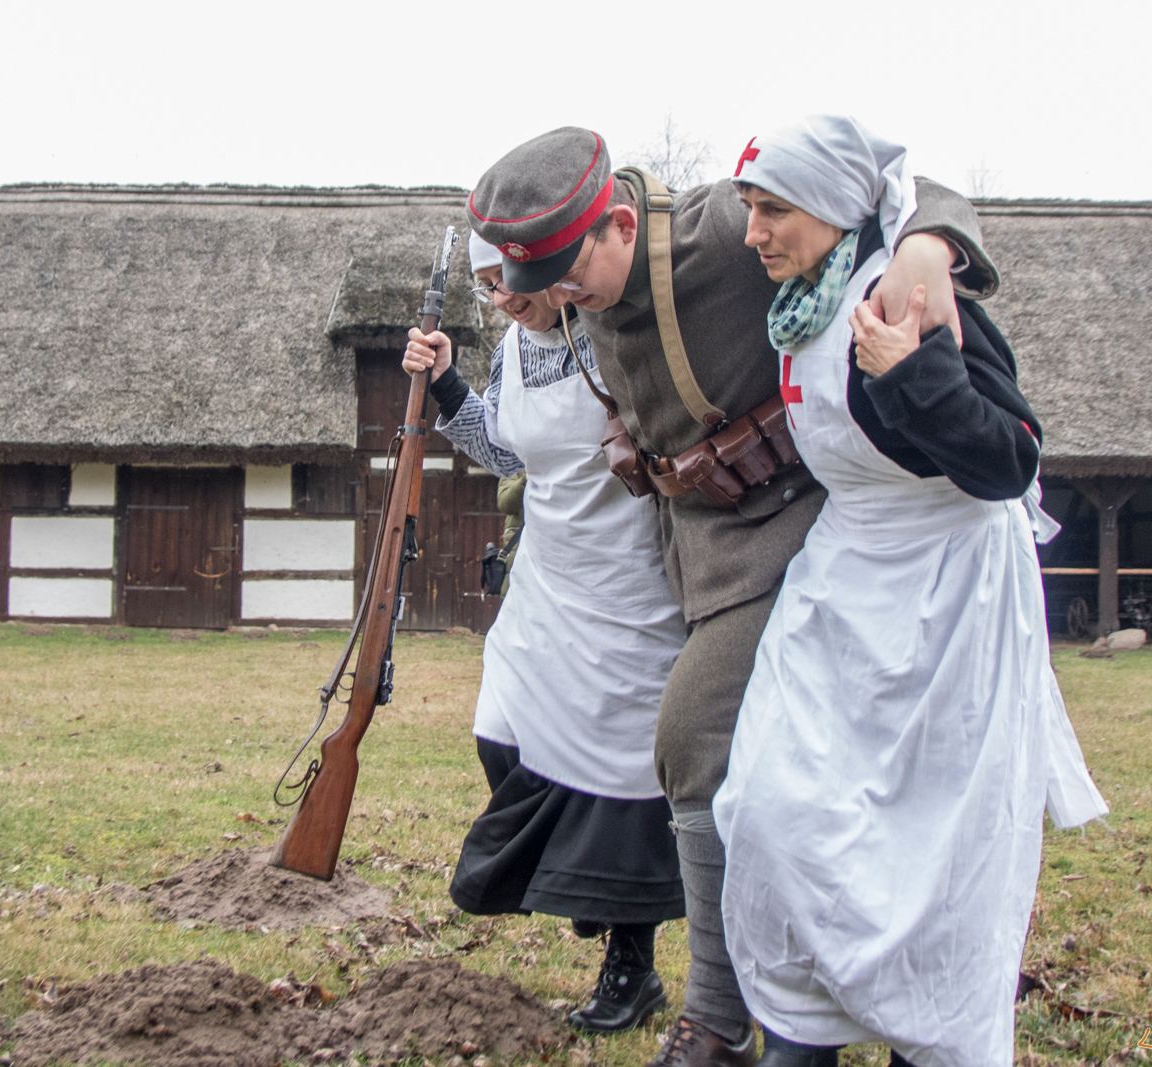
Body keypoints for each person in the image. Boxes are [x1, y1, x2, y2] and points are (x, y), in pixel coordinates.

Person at [466, 127, 998, 1067]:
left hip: (785, 533)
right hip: (689, 553)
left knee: (692, 739)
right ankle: (796, 996)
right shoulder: (576, 281)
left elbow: (894, 183)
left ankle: (718, 1018)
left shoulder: (723, 228)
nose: (557, 299)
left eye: (566, 276)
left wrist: (927, 245)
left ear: (620, 223)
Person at [711, 117, 1109, 1067]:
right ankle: (802, 1026)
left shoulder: (907, 296)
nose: (756, 232)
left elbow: (1010, 460)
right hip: (846, 579)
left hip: (949, 595)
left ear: (837, 211)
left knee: (930, 845)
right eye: (751, 210)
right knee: (770, 803)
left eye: (775, 211)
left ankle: (924, 1036)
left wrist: (916, 370)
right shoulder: (803, 304)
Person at [404, 232, 688, 1034]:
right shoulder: (510, 349)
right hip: (546, 578)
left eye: (513, 279)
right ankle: (583, 883)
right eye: (489, 284)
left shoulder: (611, 335)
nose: (505, 296)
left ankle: (632, 968)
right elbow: (503, 448)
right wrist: (444, 384)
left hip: (630, 580)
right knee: (503, 732)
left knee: (623, 777)